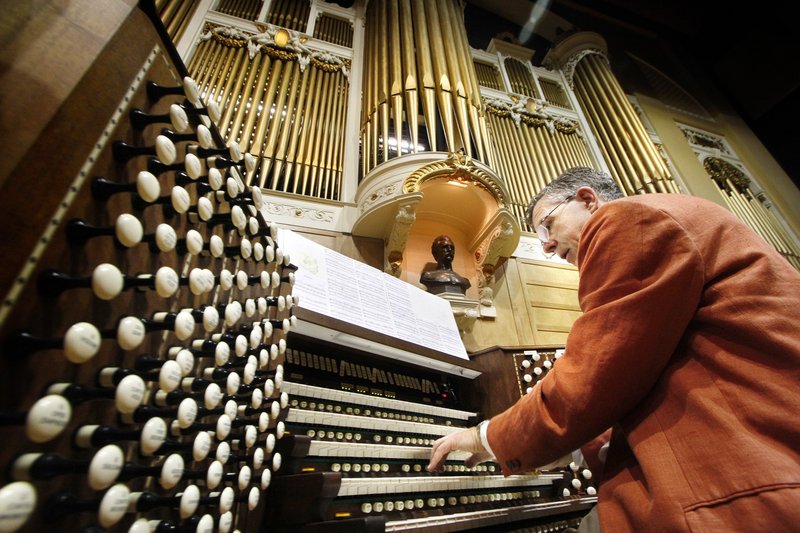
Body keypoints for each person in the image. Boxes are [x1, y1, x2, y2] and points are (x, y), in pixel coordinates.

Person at [427, 166, 800, 531]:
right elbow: (650, 376)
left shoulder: (628, 219)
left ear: (588, 199)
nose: (548, 246)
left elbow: (596, 376)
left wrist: (485, 436)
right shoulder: (674, 215)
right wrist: (565, 445)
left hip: (739, 479)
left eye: (548, 226)